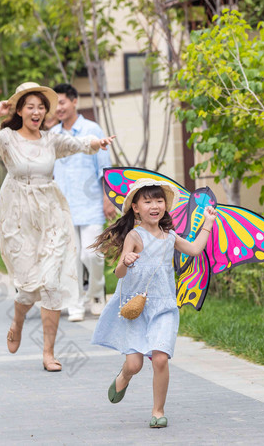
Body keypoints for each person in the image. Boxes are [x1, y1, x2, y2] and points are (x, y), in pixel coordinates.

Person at [0, 82, 115, 372]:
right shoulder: (7, 138)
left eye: (41, 107)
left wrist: (97, 144)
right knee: (27, 287)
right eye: (30, 107)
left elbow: (78, 144)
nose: (36, 112)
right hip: (18, 216)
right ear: (20, 110)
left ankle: (49, 353)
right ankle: (18, 320)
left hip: (51, 213)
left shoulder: (52, 139)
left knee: (51, 282)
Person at [90, 178, 217, 428]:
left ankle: (158, 411)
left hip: (164, 306)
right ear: (136, 208)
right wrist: (125, 261)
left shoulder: (169, 237)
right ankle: (124, 375)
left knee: (160, 358)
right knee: (135, 364)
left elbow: (193, 249)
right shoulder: (135, 236)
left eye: (159, 201)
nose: (155, 205)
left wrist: (208, 224)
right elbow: (118, 274)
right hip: (135, 309)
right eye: (147, 201)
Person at [51, 83, 115, 322]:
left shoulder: (92, 129)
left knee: (92, 254)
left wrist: (108, 198)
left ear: (74, 101)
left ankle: (97, 294)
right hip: (63, 206)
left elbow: (105, 168)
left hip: (90, 204)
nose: (58, 108)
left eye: (62, 102)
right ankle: (75, 303)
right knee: (70, 258)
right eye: (55, 104)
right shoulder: (53, 135)